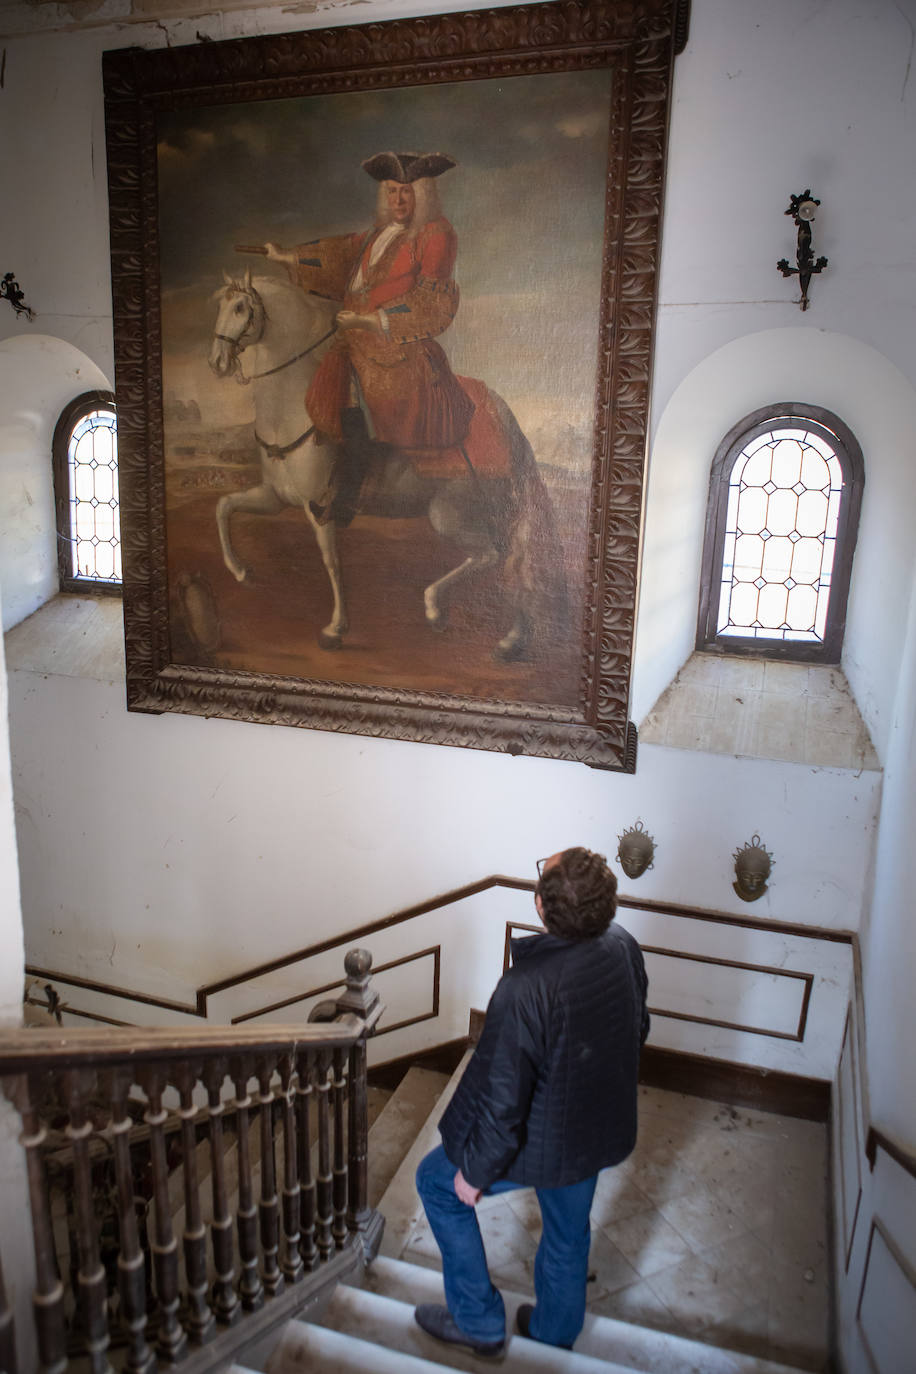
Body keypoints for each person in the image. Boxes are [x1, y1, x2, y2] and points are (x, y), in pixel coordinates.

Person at [414, 847, 649, 1358]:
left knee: (436, 1184)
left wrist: (474, 1174)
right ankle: (554, 1333)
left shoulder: (526, 988)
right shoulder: (623, 946)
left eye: (544, 869)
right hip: (594, 1132)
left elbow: (503, 1103)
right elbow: (638, 1031)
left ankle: (477, 1323)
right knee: (568, 1236)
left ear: (542, 908)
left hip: (546, 1140)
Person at [265, 150, 474, 524]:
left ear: (422, 196)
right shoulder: (378, 235)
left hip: (401, 349)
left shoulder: (436, 233)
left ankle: (351, 495)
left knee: (369, 399)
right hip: (357, 341)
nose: (397, 200)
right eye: (392, 192)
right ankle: (337, 486)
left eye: (406, 193)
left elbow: (432, 299)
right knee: (326, 390)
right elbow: (339, 253)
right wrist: (288, 258)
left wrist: (371, 320)